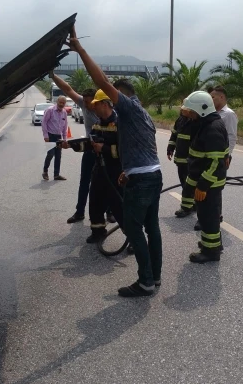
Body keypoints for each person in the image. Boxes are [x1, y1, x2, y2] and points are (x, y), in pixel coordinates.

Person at [65, 26, 162, 297]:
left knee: (134, 228)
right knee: (152, 228)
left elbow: (103, 83)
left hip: (142, 180)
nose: (109, 99)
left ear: (122, 95)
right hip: (151, 175)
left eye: (113, 96)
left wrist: (81, 50)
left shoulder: (128, 108)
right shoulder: (143, 113)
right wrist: (127, 170)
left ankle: (145, 281)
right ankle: (155, 277)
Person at [63, 89, 124, 243]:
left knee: (120, 206)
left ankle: (133, 238)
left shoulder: (120, 124)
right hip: (100, 170)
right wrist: (71, 145)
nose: (92, 107)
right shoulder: (97, 124)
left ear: (105, 104)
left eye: (95, 104)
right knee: (95, 201)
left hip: (116, 172)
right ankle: (98, 231)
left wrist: (103, 149)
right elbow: (91, 145)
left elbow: (126, 151)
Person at [180, 91, 229, 263]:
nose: (190, 114)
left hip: (209, 184)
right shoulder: (204, 123)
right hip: (204, 181)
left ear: (201, 110)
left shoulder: (212, 128)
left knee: (209, 218)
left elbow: (215, 163)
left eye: (191, 111)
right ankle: (211, 245)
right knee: (206, 216)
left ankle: (211, 252)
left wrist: (203, 185)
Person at [50, 73, 101, 223]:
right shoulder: (84, 105)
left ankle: (110, 211)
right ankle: (79, 212)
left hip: (105, 151)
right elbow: (67, 89)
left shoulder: (106, 111)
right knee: (84, 182)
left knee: (106, 182)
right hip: (90, 150)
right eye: (83, 101)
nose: (84, 104)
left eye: (88, 102)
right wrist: (52, 76)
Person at [193, 85, 238, 230]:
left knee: (215, 186)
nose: (210, 99)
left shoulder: (228, 114)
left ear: (222, 97)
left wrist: (227, 156)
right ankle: (207, 215)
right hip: (209, 155)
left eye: (213, 97)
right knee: (209, 186)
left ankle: (214, 215)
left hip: (220, 156)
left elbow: (231, 136)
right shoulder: (210, 113)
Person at [167, 110, 199, 218]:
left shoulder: (197, 121)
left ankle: (186, 207)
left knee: (189, 184)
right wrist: (170, 148)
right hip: (180, 158)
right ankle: (191, 204)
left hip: (191, 159)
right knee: (184, 182)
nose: (182, 109)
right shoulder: (180, 120)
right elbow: (174, 134)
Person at [41, 96, 68, 181]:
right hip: (50, 135)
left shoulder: (64, 112)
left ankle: (56, 175)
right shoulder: (50, 110)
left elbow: (65, 126)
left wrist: (64, 139)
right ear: (57, 102)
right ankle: (45, 171)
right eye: (60, 102)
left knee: (58, 156)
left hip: (59, 137)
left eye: (63, 103)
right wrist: (46, 136)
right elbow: (44, 122)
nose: (62, 104)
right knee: (50, 154)